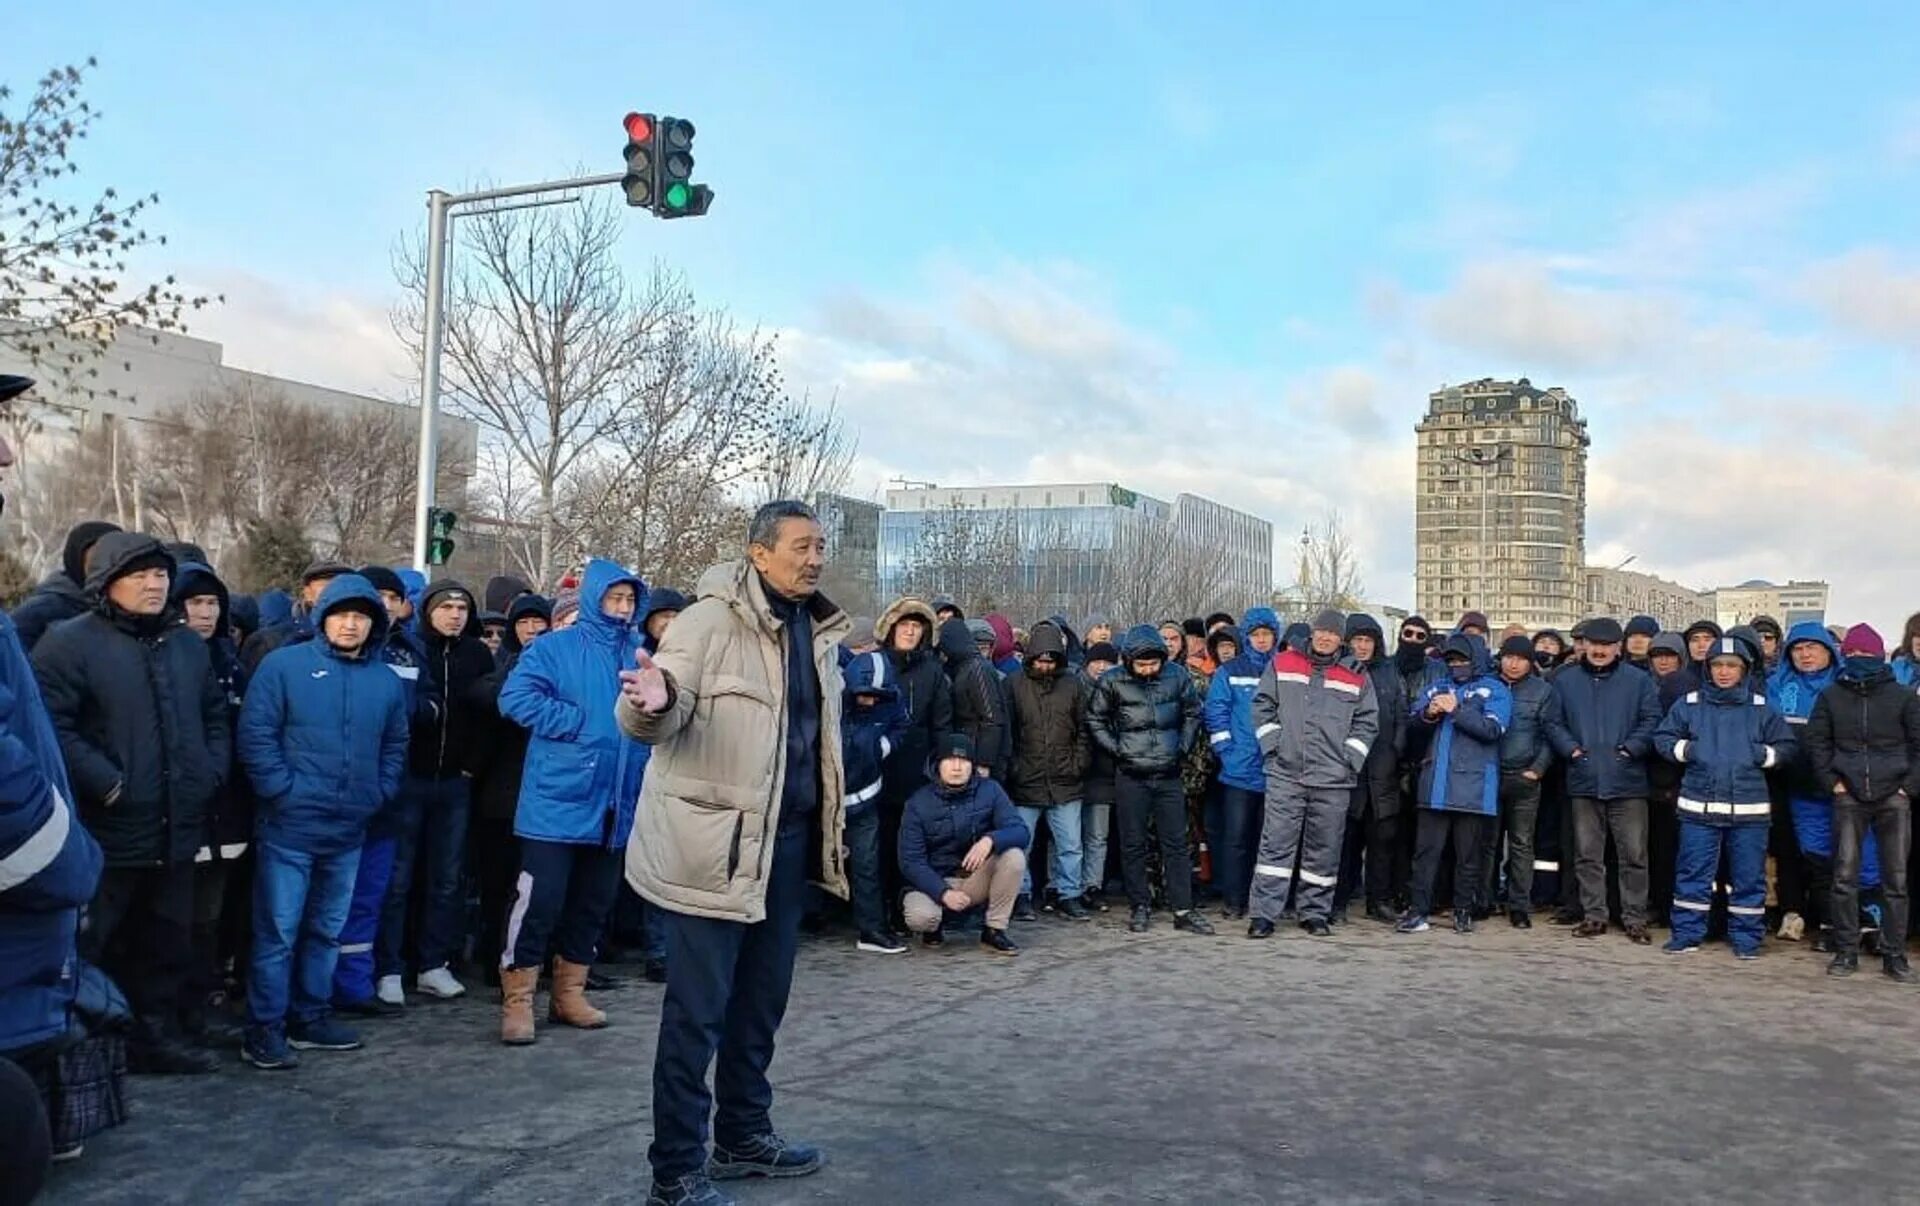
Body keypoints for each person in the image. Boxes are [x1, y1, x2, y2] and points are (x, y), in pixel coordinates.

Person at [618, 501, 847, 1206]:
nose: (813, 559)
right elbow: (652, 711)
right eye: (801, 547)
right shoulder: (707, 621)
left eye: (819, 548)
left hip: (787, 846)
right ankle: (675, 1170)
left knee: (760, 1004)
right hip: (709, 850)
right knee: (697, 1013)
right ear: (758, 553)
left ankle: (743, 1134)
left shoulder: (817, 630)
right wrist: (653, 701)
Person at [32, 533, 229, 1074]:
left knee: (167, 939)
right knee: (95, 942)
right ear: (106, 582)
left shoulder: (186, 645)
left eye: (161, 574)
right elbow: (50, 726)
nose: (154, 583)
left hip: (177, 825)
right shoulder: (68, 643)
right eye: (139, 574)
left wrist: (209, 770)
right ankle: (85, 1045)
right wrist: (106, 782)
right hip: (109, 829)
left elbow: (214, 714)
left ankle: (155, 1040)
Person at [235, 574, 408, 1068]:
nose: (351, 624)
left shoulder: (384, 681)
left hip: (350, 828)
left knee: (326, 930)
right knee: (278, 932)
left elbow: (395, 744)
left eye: (361, 616)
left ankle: (309, 1016)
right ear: (322, 618)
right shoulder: (284, 666)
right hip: (290, 827)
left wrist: (378, 791)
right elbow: (257, 736)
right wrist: (282, 791)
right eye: (341, 614)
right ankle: (263, 1027)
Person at [496, 560, 649, 1044]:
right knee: (538, 903)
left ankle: (569, 993)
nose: (622, 608)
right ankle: (518, 999)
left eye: (629, 600)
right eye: (614, 599)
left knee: (592, 905)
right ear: (594, 599)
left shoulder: (639, 652)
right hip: (556, 801)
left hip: (615, 803)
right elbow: (515, 699)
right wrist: (579, 724)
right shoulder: (555, 647)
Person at [376, 579, 493, 1005]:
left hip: (455, 782)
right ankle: (390, 967)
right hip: (410, 780)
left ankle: (433, 964)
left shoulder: (477, 654)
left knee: (446, 879)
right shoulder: (408, 649)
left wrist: (470, 768)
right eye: (446, 607)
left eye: (462, 608)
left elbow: (486, 718)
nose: (455, 614)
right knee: (399, 878)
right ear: (427, 610)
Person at [331, 565, 440, 1015]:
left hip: (386, 797)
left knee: (372, 896)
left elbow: (424, 713)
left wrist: (408, 709)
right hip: (324, 803)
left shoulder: (409, 653)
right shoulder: (304, 657)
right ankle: (312, 994)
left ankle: (358, 985)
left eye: (390, 598)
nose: (380, 607)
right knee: (323, 902)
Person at [1651, 638, 1793, 961]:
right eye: (1717, 665)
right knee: (1692, 874)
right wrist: (1687, 750)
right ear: (1707, 668)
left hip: (1749, 811)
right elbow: (1662, 737)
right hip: (1698, 808)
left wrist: (1761, 755)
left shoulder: (1761, 707)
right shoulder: (1689, 704)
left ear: (1744, 670)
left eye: (1732, 665)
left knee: (1748, 877)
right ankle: (1687, 934)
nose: (1724, 672)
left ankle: (1746, 939)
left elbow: (1787, 747)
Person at [1247, 610, 1379, 939]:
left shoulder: (1357, 674)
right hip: (1286, 773)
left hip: (1333, 779)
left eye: (1332, 633)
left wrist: (1349, 760)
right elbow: (1262, 704)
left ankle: (1314, 913)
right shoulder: (1284, 662)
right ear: (1313, 632)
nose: (1325, 637)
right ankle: (1264, 915)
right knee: (1275, 847)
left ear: (1341, 639)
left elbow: (1367, 722)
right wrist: (1273, 747)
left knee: (1324, 850)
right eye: (1321, 630)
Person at [1805, 624, 1920, 981]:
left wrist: (1908, 787)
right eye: (1852, 654)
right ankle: (1846, 951)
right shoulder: (1830, 697)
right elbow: (1816, 742)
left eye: (1865, 654)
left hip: (1894, 796)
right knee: (1843, 877)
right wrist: (1832, 782)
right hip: (1848, 794)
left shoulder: (1903, 697)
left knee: (1896, 881)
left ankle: (1894, 955)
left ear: (1879, 655)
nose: (1858, 660)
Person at [1086, 625, 1215, 936]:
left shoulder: (1178, 676)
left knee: (1176, 844)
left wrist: (1182, 747)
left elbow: (1193, 712)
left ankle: (1183, 908)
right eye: (1141, 665)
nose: (1147, 670)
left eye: (1153, 664)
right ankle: (1139, 905)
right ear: (1129, 661)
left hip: (1169, 773)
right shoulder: (1112, 680)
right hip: (1131, 773)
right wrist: (1117, 749)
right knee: (1133, 844)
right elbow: (1095, 718)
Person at [1545, 616, 1662, 944]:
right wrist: (1572, 752)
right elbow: (1553, 722)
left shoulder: (1638, 681)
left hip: (1628, 781)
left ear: (1618, 648)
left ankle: (1634, 918)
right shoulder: (1565, 681)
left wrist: (1631, 750)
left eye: (1606, 645)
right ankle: (1594, 915)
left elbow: (1652, 720)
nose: (1599, 651)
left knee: (1634, 855)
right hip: (1583, 778)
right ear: (1584, 646)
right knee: (1587, 854)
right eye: (1594, 644)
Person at [170, 559, 250, 1039]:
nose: (205, 613)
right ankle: (171, 1007)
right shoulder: (162, 657)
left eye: (212, 603)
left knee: (212, 916)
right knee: (172, 918)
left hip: (227, 815)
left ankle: (204, 1000)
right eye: (195, 603)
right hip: (175, 813)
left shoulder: (230, 663)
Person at [466, 593, 551, 989]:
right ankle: (492, 960)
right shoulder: (499, 666)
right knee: (498, 886)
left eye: (539, 623)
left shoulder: (558, 667)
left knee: (534, 887)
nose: (532, 630)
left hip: (542, 795)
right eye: (525, 623)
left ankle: (533, 962)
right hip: (499, 795)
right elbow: (483, 698)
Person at [1400, 634, 1511, 934]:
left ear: (1475, 658)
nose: (1457, 665)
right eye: (1451, 660)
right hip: (1434, 784)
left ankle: (1464, 910)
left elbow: (1492, 730)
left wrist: (1456, 710)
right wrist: (1428, 714)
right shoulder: (1437, 686)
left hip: (1474, 789)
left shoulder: (1495, 689)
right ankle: (1418, 911)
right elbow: (1411, 726)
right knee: (1425, 854)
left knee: (1468, 856)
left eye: (1462, 659)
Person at [1767, 622, 1863, 948]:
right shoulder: (1777, 685)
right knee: (1805, 854)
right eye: (1797, 648)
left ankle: (1852, 922)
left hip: (1841, 784)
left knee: (1849, 856)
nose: (1805, 655)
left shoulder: (1847, 684)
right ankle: (1807, 916)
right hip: (1791, 785)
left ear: (1828, 651)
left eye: (1812, 648)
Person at [898, 733, 1031, 953]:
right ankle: (934, 927)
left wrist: (991, 840)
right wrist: (943, 892)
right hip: (933, 881)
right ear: (938, 764)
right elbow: (910, 861)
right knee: (921, 917)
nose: (957, 767)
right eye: (950, 760)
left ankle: (994, 930)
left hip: (973, 879)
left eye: (964, 760)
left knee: (1014, 856)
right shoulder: (918, 803)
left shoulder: (990, 790)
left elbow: (1020, 831)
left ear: (973, 765)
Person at [872, 598, 951, 931]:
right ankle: (877, 911)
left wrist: (940, 769)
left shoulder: (933, 671)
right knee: (877, 847)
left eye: (916, 626)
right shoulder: (875, 665)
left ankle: (907, 909)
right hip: (875, 769)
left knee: (912, 845)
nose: (909, 630)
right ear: (891, 628)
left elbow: (942, 724)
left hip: (917, 774)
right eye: (904, 624)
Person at [1006, 620, 1090, 920]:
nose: (1045, 664)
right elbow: (1008, 732)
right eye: (1041, 659)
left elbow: (1084, 729)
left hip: (1066, 778)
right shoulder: (1013, 684)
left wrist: (1078, 763)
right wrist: (1014, 768)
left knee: (1070, 845)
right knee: (1020, 845)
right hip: (1026, 779)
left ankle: (1069, 894)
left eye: (1051, 659)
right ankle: (1021, 895)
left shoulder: (1073, 684)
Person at [1204, 608, 1282, 920]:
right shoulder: (1231, 670)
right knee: (1236, 838)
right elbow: (1216, 711)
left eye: (1267, 634)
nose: (1262, 640)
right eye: (1256, 635)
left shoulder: (1283, 669)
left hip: (1275, 769)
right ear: (1247, 637)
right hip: (1239, 769)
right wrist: (1226, 749)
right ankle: (1234, 899)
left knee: (1270, 841)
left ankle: (1264, 901)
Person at [1333, 614, 1407, 925]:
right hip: (1347, 770)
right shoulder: (1337, 671)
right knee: (1343, 843)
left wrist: (1398, 755)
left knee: (1382, 843)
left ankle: (1379, 901)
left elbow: (1402, 717)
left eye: (1368, 641)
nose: (1362, 647)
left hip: (1383, 769)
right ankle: (1337, 901)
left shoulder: (1390, 673)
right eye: (1357, 641)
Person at [839, 651, 907, 954]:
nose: (870, 702)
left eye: (876, 697)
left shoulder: (891, 700)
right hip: (823, 797)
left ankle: (871, 929)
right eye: (864, 696)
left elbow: (902, 726)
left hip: (865, 795)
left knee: (867, 865)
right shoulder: (833, 697)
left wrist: (881, 747)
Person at [1486, 633, 1553, 927]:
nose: (1514, 664)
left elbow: (1550, 734)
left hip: (1524, 778)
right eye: (1509, 657)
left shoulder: (1542, 691)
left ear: (1530, 662)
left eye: (1521, 659)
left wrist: (1537, 769)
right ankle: (1484, 899)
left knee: (1522, 843)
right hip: (1489, 774)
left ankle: (1519, 905)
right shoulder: (1487, 685)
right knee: (1486, 842)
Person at [8, 520, 120, 652]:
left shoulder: (130, 605)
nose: (108, 565)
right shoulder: (44, 610)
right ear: (77, 559)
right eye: (98, 557)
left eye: (118, 557)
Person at [240, 560, 351, 675]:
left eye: (343, 586)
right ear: (307, 593)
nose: (337, 592)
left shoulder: (363, 644)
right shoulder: (269, 643)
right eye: (326, 586)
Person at [938, 616, 1007, 783]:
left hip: (977, 753)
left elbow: (991, 718)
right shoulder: (965, 667)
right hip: (968, 750)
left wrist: (984, 762)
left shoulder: (976, 669)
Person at [1078, 640, 1120, 909]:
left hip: (1105, 774)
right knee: (1067, 836)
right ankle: (1060, 885)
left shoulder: (1118, 690)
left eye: (1108, 662)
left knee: (1097, 835)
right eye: (1097, 661)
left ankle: (1092, 885)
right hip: (1073, 772)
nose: (1102, 667)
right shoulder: (1074, 688)